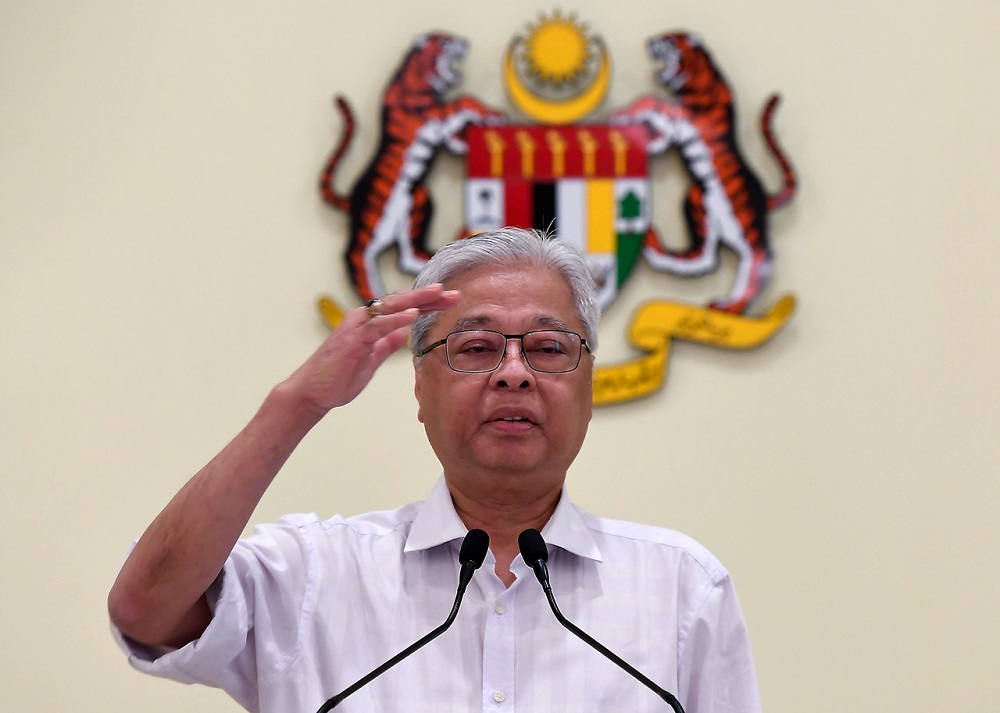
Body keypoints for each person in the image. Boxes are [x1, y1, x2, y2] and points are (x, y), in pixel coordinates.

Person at [108, 227, 762, 713]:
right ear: (419, 388)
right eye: (475, 347)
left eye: (546, 347)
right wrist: (298, 403)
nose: (512, 371)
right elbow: (145, 610)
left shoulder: (682, 588)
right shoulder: (312, 573)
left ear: (588, 388)